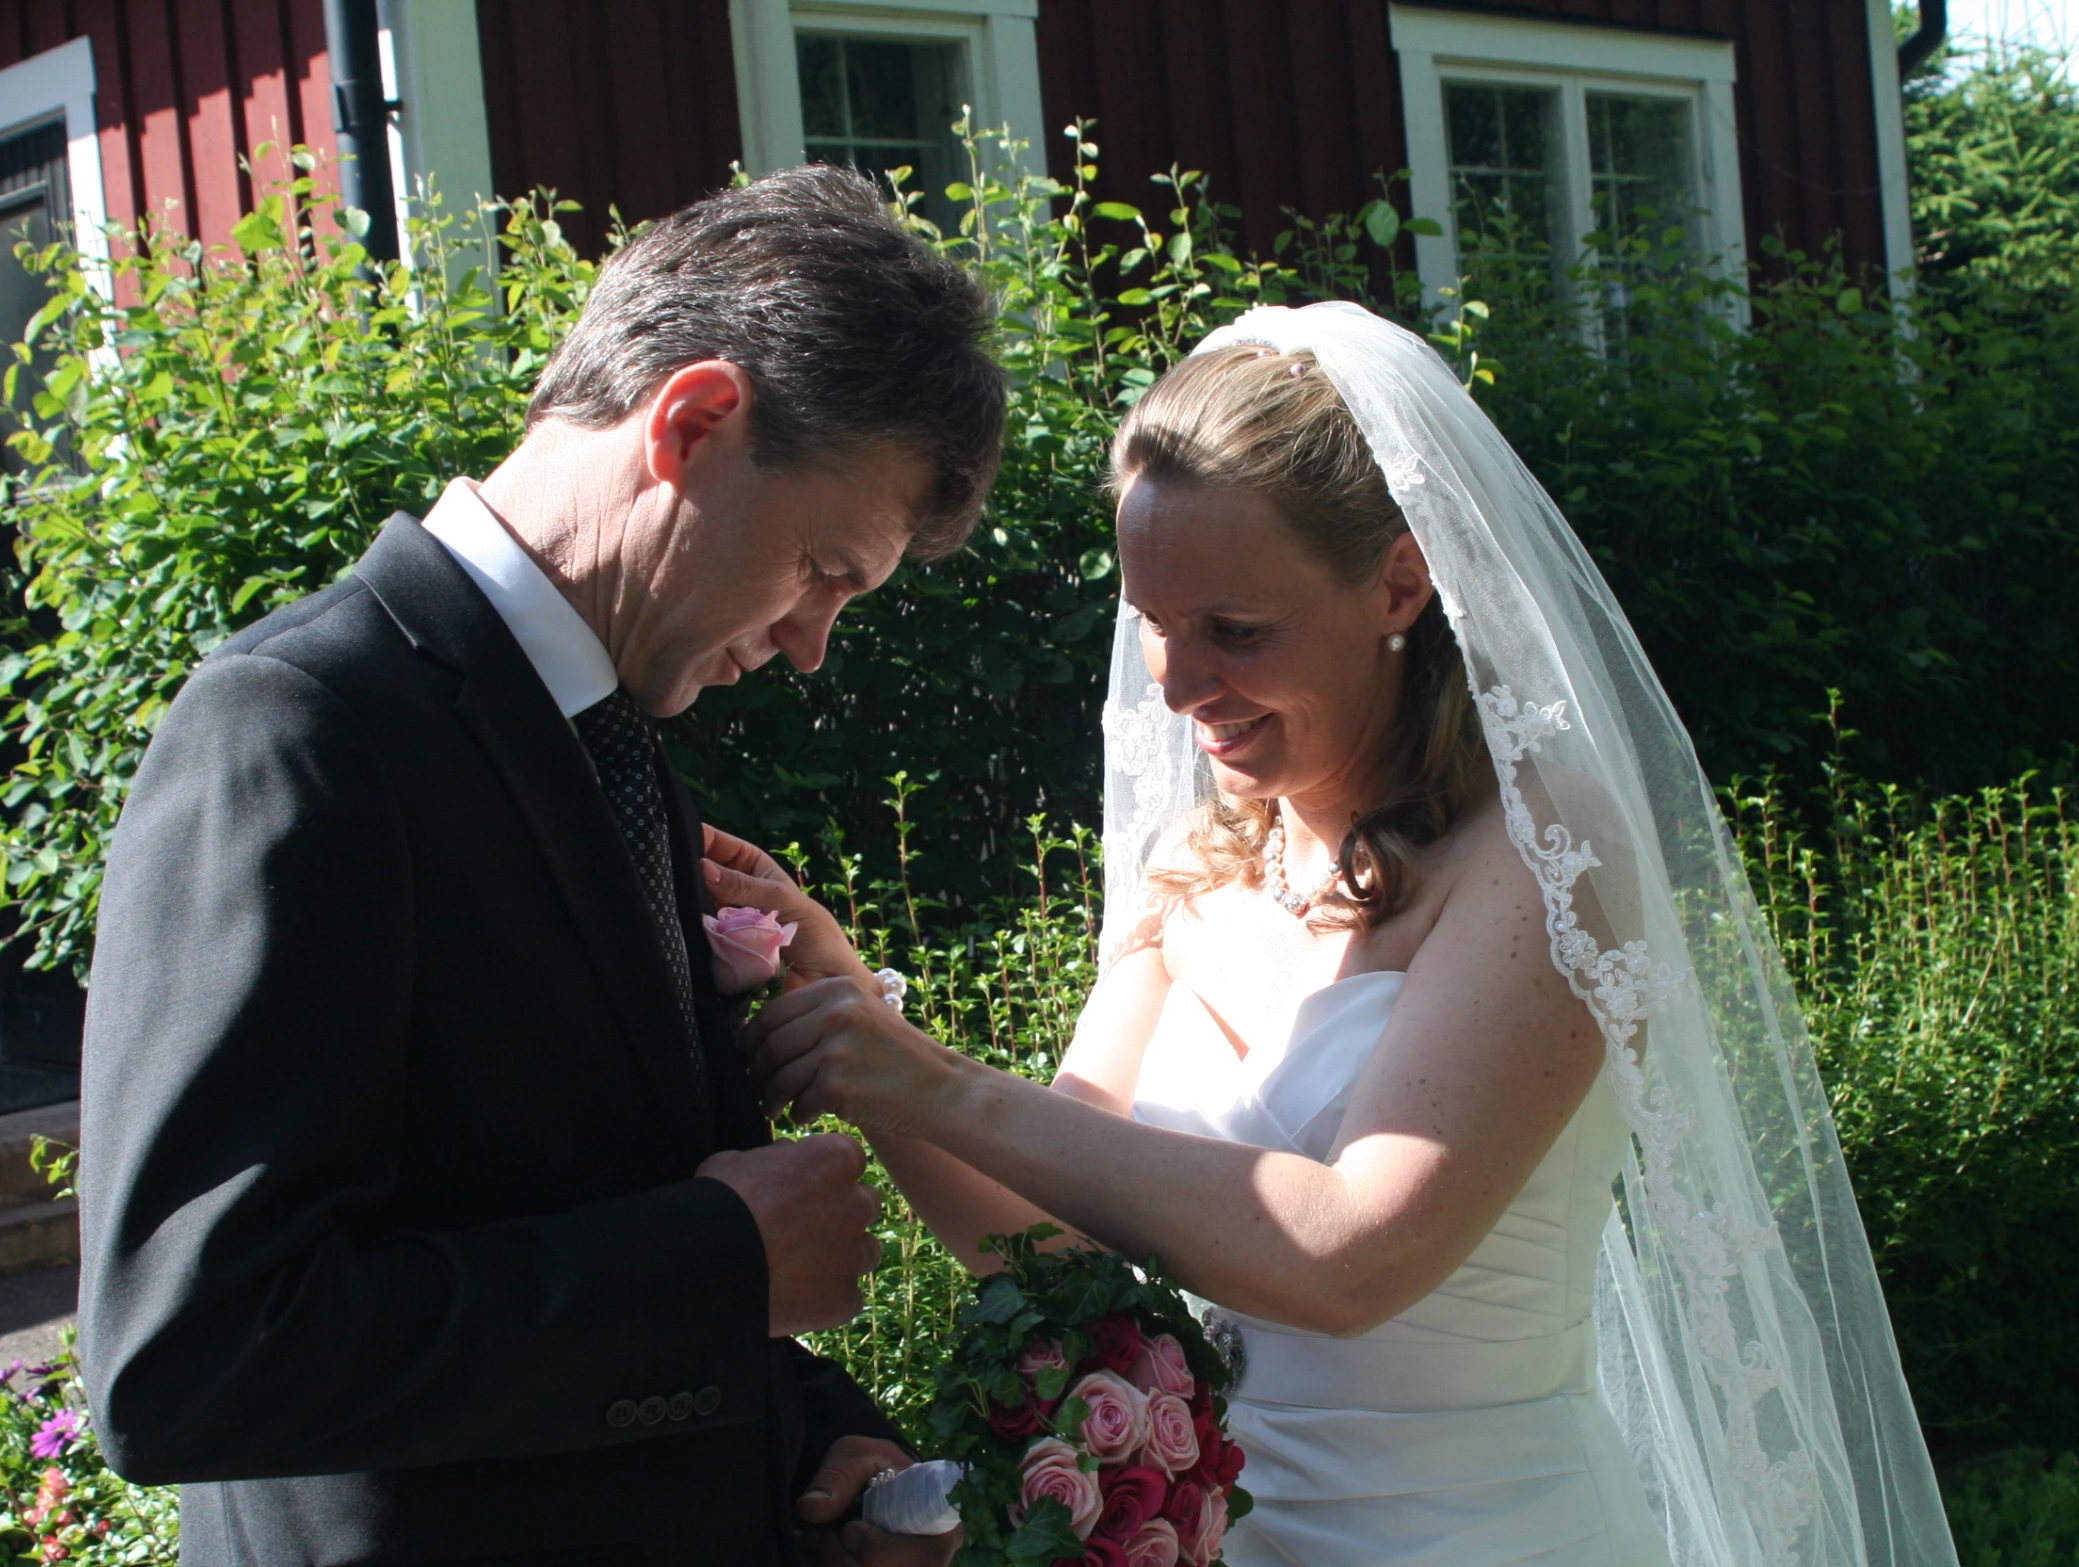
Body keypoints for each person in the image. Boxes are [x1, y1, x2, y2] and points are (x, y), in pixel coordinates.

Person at [720, 304, 1959, 1566]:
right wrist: (852, 1023)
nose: (1177, 682)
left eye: (1235, 631)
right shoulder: (1191, 874)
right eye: (1153, 620)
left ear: (1400, 584)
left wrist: (930, 1081)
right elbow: (1045, 1237)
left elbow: (1350, 1253)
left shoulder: (1538, 856)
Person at [75, 166, 1004, 1567]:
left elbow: (591, 1193)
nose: (814, 640)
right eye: (821, 566)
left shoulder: (613, 730)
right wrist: (711, 1267)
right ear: (690, 422)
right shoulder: (298, 727)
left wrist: (819, 1443)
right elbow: (189, 1357)